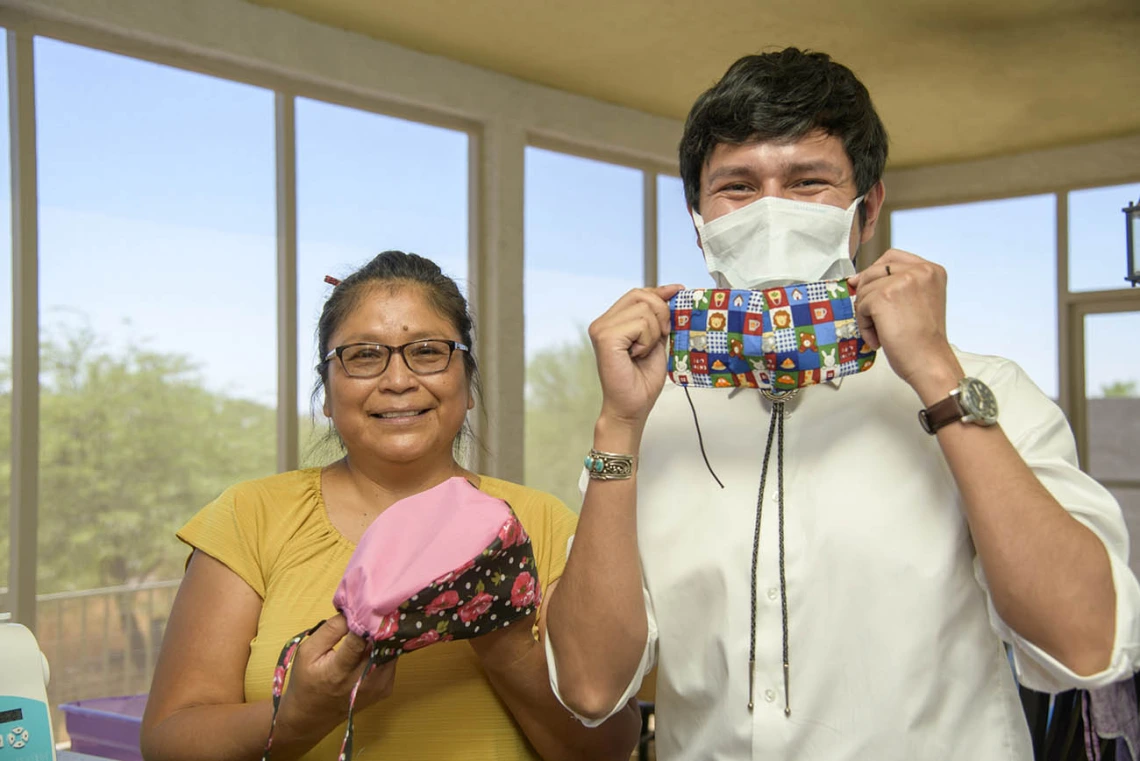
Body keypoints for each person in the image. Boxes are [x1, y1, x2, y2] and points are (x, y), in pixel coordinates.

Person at [545, 48, 1140, 760]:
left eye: (808, 182)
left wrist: (938, 377)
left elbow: (1088, 645)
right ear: (699, 218)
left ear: (868, 208)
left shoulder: (989, 390)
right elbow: (588, 686)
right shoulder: (651, 422)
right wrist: (617, 426)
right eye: (737, 186)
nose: (771, 211)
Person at [140, 251, 640, 761]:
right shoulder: (250, 516)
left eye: (427, 352)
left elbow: (609, 745)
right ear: (327, 396)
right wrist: (296, 716)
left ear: (467, 383)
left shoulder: (543, 525)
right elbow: (168, 742)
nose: (398, 380)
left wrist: (507, 645)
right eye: (362, 356)